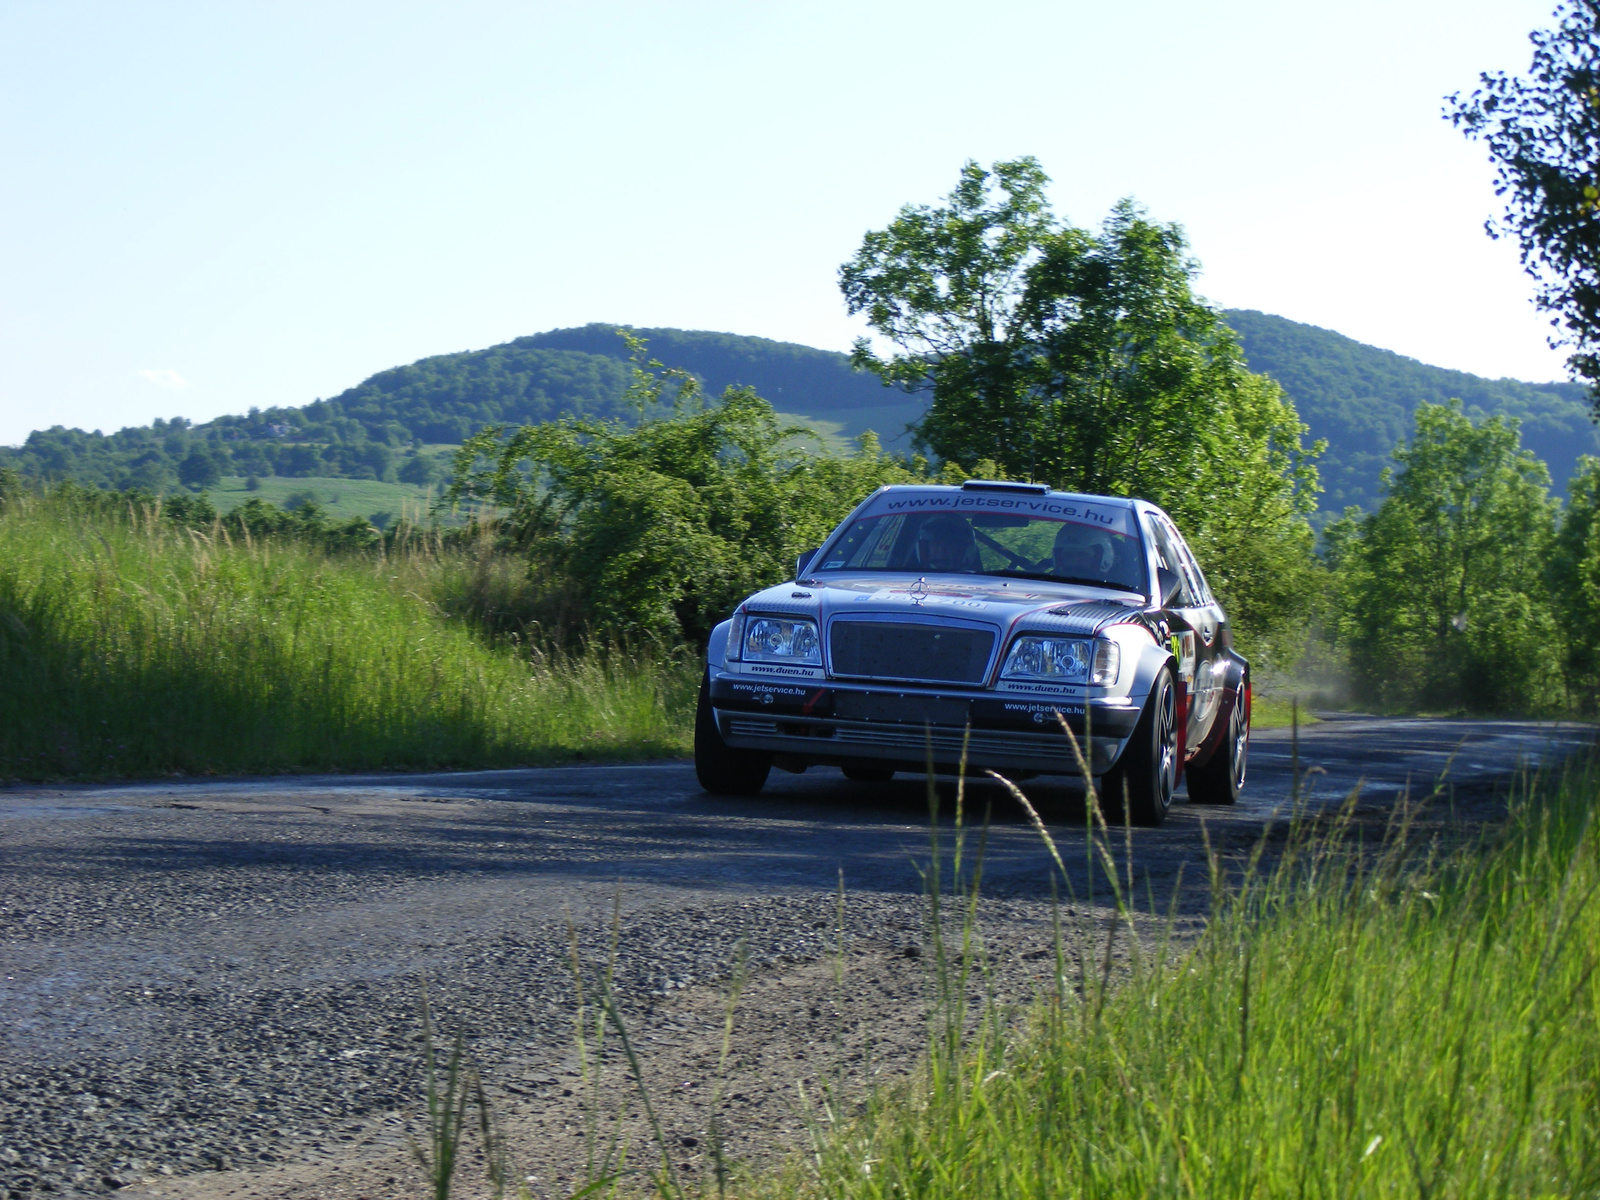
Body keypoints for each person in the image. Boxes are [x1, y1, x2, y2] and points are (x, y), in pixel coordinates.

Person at [1049, 521, 1118, 579]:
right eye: (1068, 555)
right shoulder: (1046, 582)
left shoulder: (1119, 589)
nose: (1074, 561)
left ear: (1101, 558)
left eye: (1082, 555)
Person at [912, 516, 979, 572]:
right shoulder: (909, 577)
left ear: (965, 549)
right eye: (936, 542)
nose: (940, 550)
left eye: (949, 544)